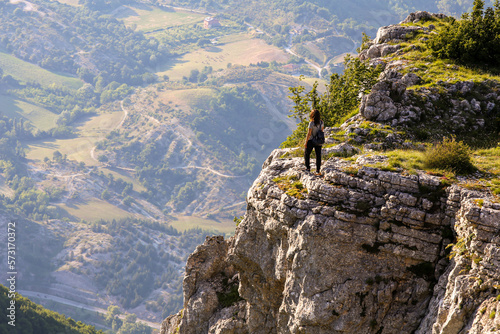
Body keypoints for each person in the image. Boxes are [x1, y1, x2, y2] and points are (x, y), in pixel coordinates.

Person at [304, 109, 324, 175]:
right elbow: (321, 131)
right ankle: (318, 170)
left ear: (312, 115)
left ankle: (308, 168)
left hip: (311, 140)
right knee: (318, 155)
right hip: (318, 140)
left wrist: (306, 142)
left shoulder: (311, 123)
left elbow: (309, 133)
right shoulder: (321, 122)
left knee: (307, 154)